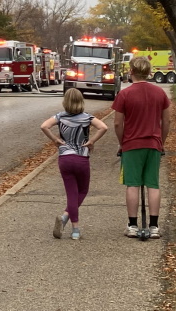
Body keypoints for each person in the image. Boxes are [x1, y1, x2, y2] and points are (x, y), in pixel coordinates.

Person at [111, 55, 171, 239]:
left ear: (131, 71)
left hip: (132, 144)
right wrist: (161, 141)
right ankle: (154, 226)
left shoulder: (125, 94)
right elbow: (166, 120)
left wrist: (122, 142)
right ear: (149, 72)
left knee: (133, 184)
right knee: (153, 184)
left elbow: (117, 123)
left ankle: (132, 224)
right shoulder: (160, 93)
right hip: (153, 143)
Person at [41, 87, 108, 240]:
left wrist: (55, 140)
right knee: (82, 191)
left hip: (64, 158)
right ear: (81, 101)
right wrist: (91, 141)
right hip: (81, 158)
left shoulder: (60, 116)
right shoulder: (87, 117)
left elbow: (44, 126)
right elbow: (103, 127)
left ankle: (74, 227)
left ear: (65, 102)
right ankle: (68, 221)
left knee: (71, 193)